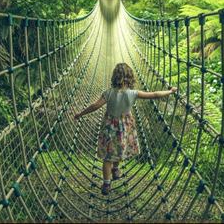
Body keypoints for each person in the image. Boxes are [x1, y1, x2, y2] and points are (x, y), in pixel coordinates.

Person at [74, 63, 178, 195]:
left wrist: (80, 114)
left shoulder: (108, 93)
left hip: (109, 127)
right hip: (124, 127)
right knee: (120, 148)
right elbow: (154, 95)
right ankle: (116, 169)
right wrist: (170, 91)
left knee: (107, 156)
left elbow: (95, 106)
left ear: (114, 77)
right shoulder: (133, 93)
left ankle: (107, 183)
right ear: (130, 78)